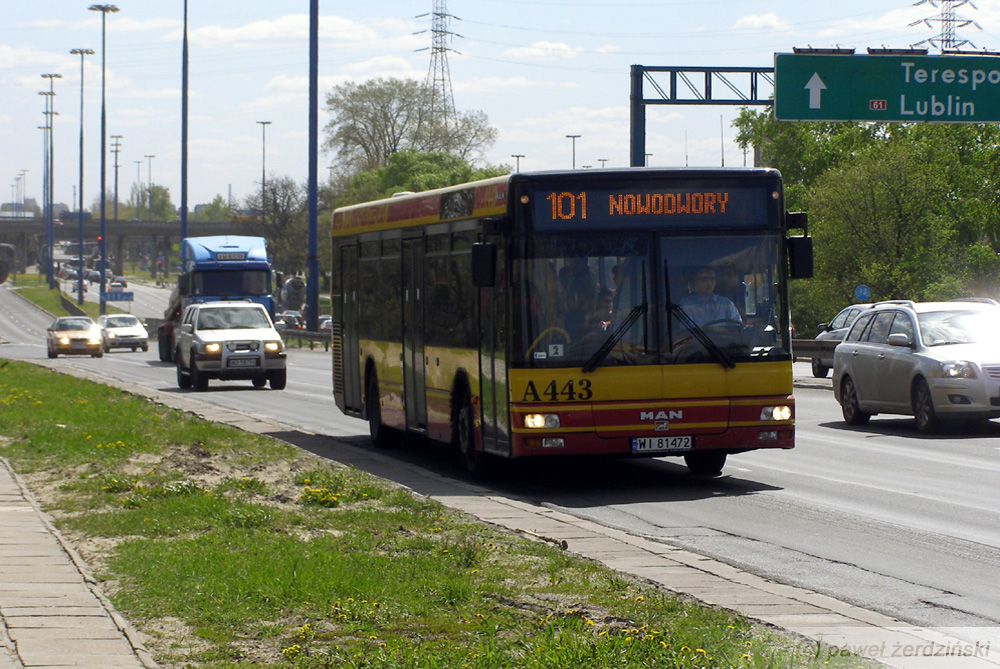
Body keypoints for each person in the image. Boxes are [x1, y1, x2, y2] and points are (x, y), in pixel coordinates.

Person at [677, 266, 742, 327]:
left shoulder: (726, 303)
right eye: (704, 280)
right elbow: (686, 330)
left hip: (725, 338)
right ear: (695, 282)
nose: (709, 283)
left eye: (712, 279)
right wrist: (709, 330)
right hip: (697, 339)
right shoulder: (687, 303)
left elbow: (738, 326)